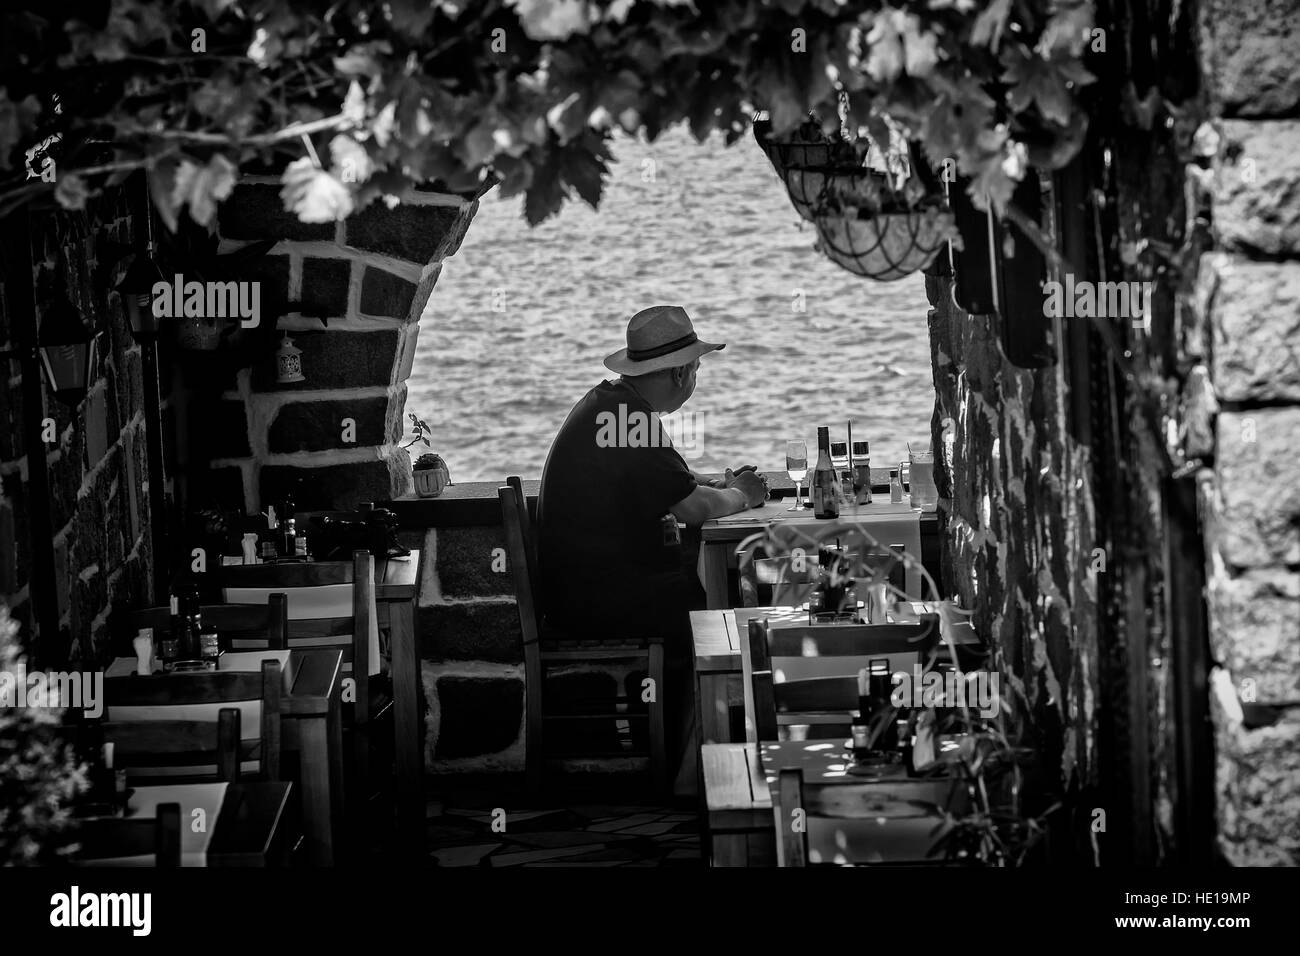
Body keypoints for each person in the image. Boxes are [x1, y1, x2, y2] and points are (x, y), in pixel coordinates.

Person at [536, 304, 767, 791]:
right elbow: (687, 506)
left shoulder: (613, 406)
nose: (696, 378)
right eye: (697, 369)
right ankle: (693, 773)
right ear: (680, 372)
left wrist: (709, 488)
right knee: (711, 621)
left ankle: (699, 758)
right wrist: (743, 495)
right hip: (595, 600)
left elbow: (669, 483)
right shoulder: (629, 422)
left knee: (704, 593)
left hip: (579, 587)